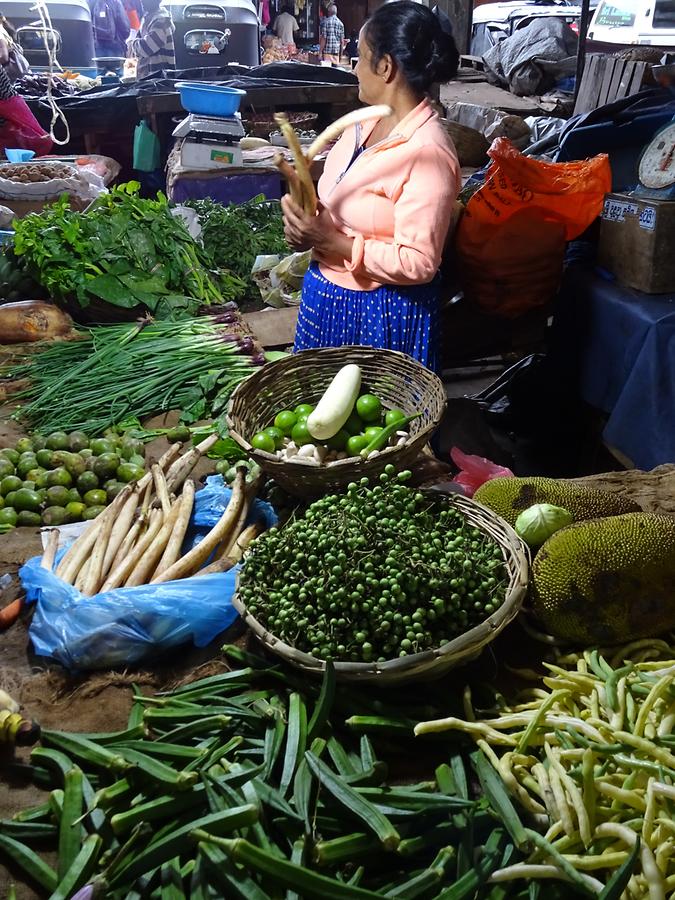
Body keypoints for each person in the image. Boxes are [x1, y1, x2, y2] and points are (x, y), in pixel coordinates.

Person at [281, 0, 460, 371]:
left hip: (380, 315)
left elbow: (420, 263)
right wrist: (305, 225)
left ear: (386, 67)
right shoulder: (359, 125)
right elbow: (337, 209)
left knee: (372, 424)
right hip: (327, 299)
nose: (354, 67)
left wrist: (332, 242)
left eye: (360, 57)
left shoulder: (428, 154)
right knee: (312, 423)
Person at [127, 0, 175, 79]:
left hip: (160, 78)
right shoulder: (147, 18)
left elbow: (146, 48)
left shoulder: (161, 21)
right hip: (148, 76)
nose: (142, 2)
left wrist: (132, 43)